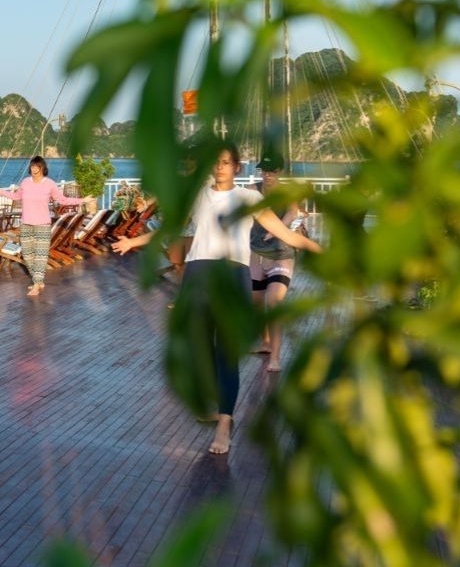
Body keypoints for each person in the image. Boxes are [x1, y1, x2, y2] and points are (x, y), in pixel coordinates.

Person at [111, 142, 320, 455]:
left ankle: (224, 423)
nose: (219, 167)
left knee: (226, 353)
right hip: (198, 273)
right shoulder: (199, 195)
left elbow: (287, 234)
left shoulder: (249, 198)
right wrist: (133, 241)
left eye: (226, 162)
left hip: (233, 275)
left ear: (237, 167)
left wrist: (321, 250)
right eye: (215, 162)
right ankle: (216, 399)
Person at [0, 156, 91, 297]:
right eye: (32, 166)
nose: (34, 169)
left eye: (37, 166)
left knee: (41, 255)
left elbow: (62, 200)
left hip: (43, 225)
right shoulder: (25, 182)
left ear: (43, 168)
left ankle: (36, 285)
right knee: (27, 255)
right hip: (26, 224)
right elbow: (16, 196)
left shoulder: (50, 184)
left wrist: (82, 200)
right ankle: (38, 280)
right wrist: (0, 192)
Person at [249, 153, 303, 373]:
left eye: (272, 171)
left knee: (274, 302)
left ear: (280, 172)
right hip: (256, 254)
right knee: (256, 302)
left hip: (281, 255)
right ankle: (265, 341)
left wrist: (277, 228)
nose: (267, 175)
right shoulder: (253, 190)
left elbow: (293, 211)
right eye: (264, 171)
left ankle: (275, 358)